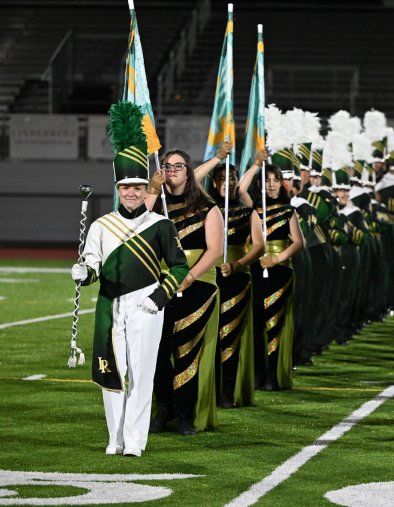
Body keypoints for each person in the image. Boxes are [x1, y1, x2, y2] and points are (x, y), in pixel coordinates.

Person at [72, 101, 188, 457]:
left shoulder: (160, 225)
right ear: (119, 189)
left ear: (145, 188)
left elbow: (180, 267)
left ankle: (135, 442)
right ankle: (115, 438)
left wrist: (159, 298)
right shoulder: (100, 225)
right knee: (112, 374)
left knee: (141, 373)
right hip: (109, 306)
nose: (133, 193)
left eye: (138, 187)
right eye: (126, 188)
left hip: (147, 305)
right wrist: (84, 272)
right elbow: (92, 264)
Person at [149, 148, 224, 436]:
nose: (171, 170)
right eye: (166, 166)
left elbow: (215, 250)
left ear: (188, 171)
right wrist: (154, 189)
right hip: (161, 282)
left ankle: (184, 414)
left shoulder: (208, 207)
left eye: (178, 166)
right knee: (158, 350)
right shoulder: (158, 208)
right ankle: (163, 408)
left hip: (199, 283)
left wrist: (189, 277)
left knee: (186, 351)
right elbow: (135, 222)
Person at [194, 144, 266, 408]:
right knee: (208, 335)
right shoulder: (207, 207)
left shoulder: (248, 211)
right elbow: (193, 178)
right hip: (208, 278)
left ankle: (226, 392)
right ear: (215, 183)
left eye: (232, 179)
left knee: (229, 335)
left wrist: (236, 264)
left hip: (236, 279)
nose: (228, 183)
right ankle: (208, 389)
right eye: (222, 179)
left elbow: (259, 246)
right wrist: (218, 159)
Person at [238, 161, 304, 390]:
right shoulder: (254, 208)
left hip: (280, 271)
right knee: (256, 322)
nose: (272, 185)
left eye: (276, 181)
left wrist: (276, 258)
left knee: (274, 323)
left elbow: (298, 242)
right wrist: (257, 164)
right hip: (255, 269)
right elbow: (240, 190)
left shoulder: (288, 210)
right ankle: (257, 372)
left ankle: (272, 374)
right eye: (267, 181)